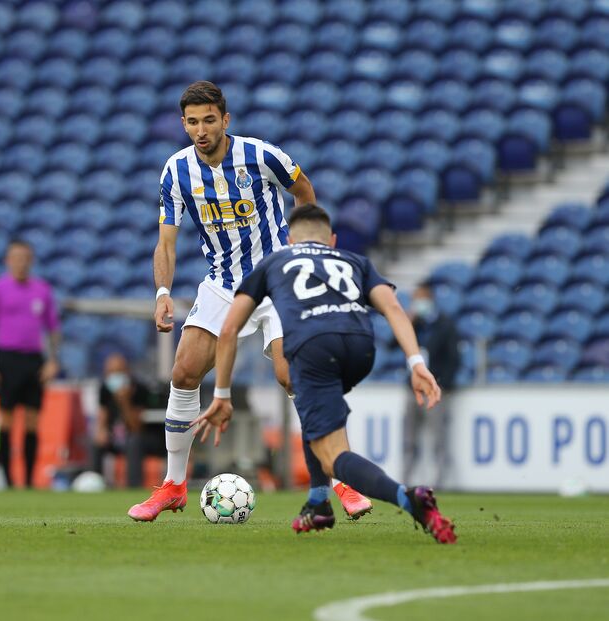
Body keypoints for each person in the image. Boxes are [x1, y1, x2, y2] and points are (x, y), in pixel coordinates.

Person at [128, 80, 371, 521]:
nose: (201, 130)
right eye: (192, 122)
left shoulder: (261, 156)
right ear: (183, 124)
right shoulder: (176, 171)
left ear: (225, 120)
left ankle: (343, 479)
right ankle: (174, 485)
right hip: (223, 284)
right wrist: (162, 292)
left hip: (277, 280)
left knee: (293, 375)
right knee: (183, 371)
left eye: (209, 120)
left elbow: (304, 190)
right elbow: (166, 242)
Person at [194, 204, 456, 543]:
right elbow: (392, 307)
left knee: (332, 456)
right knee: (312, 407)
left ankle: (409, 498)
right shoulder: (354, 261)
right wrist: (416, 363)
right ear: (331, 240)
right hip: (360, 347)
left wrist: (222, 394)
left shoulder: (274, 261)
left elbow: (230, 329)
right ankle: (319, 502)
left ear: (290, 240)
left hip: (314, 347)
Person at [0, 239, 61, 488]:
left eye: (25, 257)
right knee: (5, 419)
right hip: (6, 358)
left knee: (32, 421)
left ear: (31, 260)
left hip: (33, 359)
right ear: (7, 260)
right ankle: (7, 480)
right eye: (16, 257)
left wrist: (53, 360)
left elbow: (53, 329)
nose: (20, 262)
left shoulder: (42, 290)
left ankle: (28, 481)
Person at [402, 283, 461, 488]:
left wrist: (442, 384)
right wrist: (408, 324)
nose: (418, 303)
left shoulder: (445, 324)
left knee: (439, 437)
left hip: (434, 389)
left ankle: (441, 481)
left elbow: (453, 358)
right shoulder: (415, 325)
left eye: (421, 298)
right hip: (413, 389)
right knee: (409, 438)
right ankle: (405, 480)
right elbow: (393, 344)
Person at [93, 352, 164, 488]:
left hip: (146, 438)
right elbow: (103, 415)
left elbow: (136, 427)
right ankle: (95, 483)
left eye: (118, 371)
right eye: (111, 372)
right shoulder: (105, 389)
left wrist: (125, 402)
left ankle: (133, 486)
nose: (114, 376)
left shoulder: (140, 389)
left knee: (134, 441)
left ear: (127, 372)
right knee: (96, 443)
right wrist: (101, 431)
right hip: (118, 437)